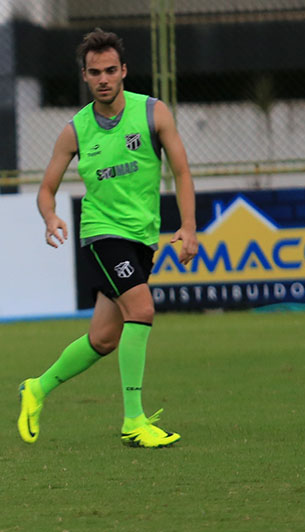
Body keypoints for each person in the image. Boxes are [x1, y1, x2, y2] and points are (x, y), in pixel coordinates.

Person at [17, 29, 198, 448]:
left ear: (124, 71)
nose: (103, 79)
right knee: (142, 308)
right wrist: (50, 217)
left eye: (110, 71)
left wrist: (188, 226)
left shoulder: (153, 113)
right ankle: (133, 421)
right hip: (101, 234)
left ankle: (37, 388)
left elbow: (183, 172)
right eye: (95, 72)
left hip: (141, 238)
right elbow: (46, 188)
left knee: (103, 337)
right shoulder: (75, 130)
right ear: (85, 75)